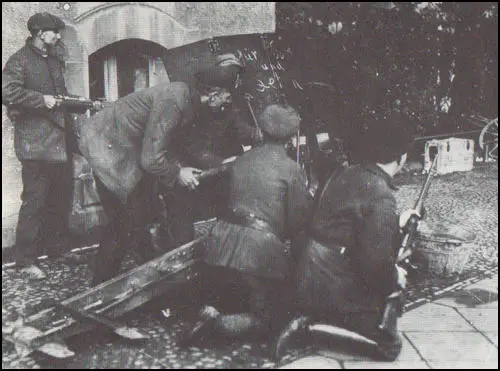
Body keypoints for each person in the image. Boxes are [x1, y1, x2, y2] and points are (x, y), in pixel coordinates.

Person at [279, 112, 421, 361]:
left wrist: (395, 223)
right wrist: (396, 276)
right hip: (333, 281)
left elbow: (344, 225)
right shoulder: (381, 194)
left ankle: (308, 316)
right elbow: (376, 265)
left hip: (306, 270)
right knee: (390, 346)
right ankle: (314, 322)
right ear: (402, 158)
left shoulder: (345, 173)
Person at [180, 104, 313, 348]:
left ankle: (209, 312)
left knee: (233, 290)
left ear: (260, 130)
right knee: (272, 318)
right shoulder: (291, 169)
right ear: (292, 136)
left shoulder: (241, 160)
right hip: (257, 250)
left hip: (219, 244)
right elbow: (297, 223)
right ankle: (216, 326)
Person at [2, 12, 94, 280]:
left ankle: (58, 249)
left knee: (60, 198)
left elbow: (59, 98)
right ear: (40, 33)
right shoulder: (19, 61)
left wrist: (85, 104)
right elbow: (7, 92)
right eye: (54, 32)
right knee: (35, 202)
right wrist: (41, 100)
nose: (57, 36)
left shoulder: (52, 59)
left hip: (59, 144)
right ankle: (24, 261)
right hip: (35, 146)